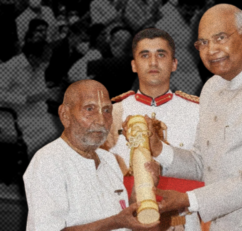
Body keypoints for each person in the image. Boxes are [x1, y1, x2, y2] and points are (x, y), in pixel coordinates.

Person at [122, 4, 242, 230]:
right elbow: (204, 163)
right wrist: (158, 149)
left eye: (220, 38)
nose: (211, 49)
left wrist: (189, 200)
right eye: (203, 43)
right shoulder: (212, 88)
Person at [23, 79, 160, 230]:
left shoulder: (108, 159)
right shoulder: (49, 161)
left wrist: (138, 197)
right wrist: (116, 222)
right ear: (65, 115)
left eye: (107, 110)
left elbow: (122, 220)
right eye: (90, 109)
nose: (101, 120)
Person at [101, 28, 202, 230]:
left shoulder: (198, 112)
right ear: (133, 65)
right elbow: (98, 177)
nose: (153, 62)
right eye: (145, 55)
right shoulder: (112, 113)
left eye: (161, 55)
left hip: (183, 223)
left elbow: (210, 172)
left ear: (174, 64)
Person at [0, 37, 59, 158]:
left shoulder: (38, 68)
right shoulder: (10, 67)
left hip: (35, 114)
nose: (47, 63)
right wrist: (25, 99)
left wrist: (50, 94)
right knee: (52, 131)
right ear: (32, 57)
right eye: (44, 60)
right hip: (14, 118)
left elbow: (40, 93)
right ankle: (26, 162)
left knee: (60, 128)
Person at [88, 26, 136, 98]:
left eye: (119, 42)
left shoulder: (129, 63)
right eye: (114, 41)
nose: (114, 44)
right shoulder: (105, 59)